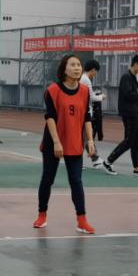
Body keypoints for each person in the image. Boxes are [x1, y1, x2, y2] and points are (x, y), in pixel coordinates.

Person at [35, 54, 98, 233]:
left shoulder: (84, 91)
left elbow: (86, 117)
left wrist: (90, 140)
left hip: (74, 141)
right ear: (64, 69)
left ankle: (82, 220)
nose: (77, 68)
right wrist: (56, 142)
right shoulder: (53, 90)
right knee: (48, 179)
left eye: (79, 65)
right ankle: (42, 215)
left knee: (76, 181)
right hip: (53, 141)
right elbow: (50, 117)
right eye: (73, 65)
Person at [100, 54, 138, 176]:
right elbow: (128, 95)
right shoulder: (126, 77)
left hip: (137, 114)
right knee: (129, 140)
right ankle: (108, 162)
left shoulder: (133, 78)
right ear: (136, 64)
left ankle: (137, 168)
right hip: (130, 114)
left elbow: (134, 96)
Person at [81, 59, 106, 153]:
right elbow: (91, 97)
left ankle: (94, 156)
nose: (96, 73)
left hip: (84, 110)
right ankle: (94, 157)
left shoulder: (82, 77)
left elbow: (88, 95)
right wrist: (101, 97)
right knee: (87, 136)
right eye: (96, 71)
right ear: (93, 69)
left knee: (86, 136)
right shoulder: (86, 79)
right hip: (85, 111)